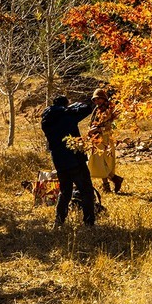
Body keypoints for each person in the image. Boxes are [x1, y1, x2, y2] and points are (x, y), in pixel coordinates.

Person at [41, 94, 96, 227]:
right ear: (65, 104)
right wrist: (71, 107)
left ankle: (59, 221)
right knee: (86, 191)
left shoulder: (46, 120)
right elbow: (87, 108)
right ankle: (89, 222)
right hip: (75, 159)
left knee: (65, 192)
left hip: (59, 162)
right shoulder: (68, 115)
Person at [87, 88, 124, 194]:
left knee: (102, 162)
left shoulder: (110, 109)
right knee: (98, 163)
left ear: (103, 98)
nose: (96, 101)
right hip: (96, 138)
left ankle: (111, 182)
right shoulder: (97, 110)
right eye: (95, 100)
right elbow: (92, 123)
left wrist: (99, 129)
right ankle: (111, 182)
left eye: (98, 99)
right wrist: (91, 131)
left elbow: (112, 126)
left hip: (106, 138)